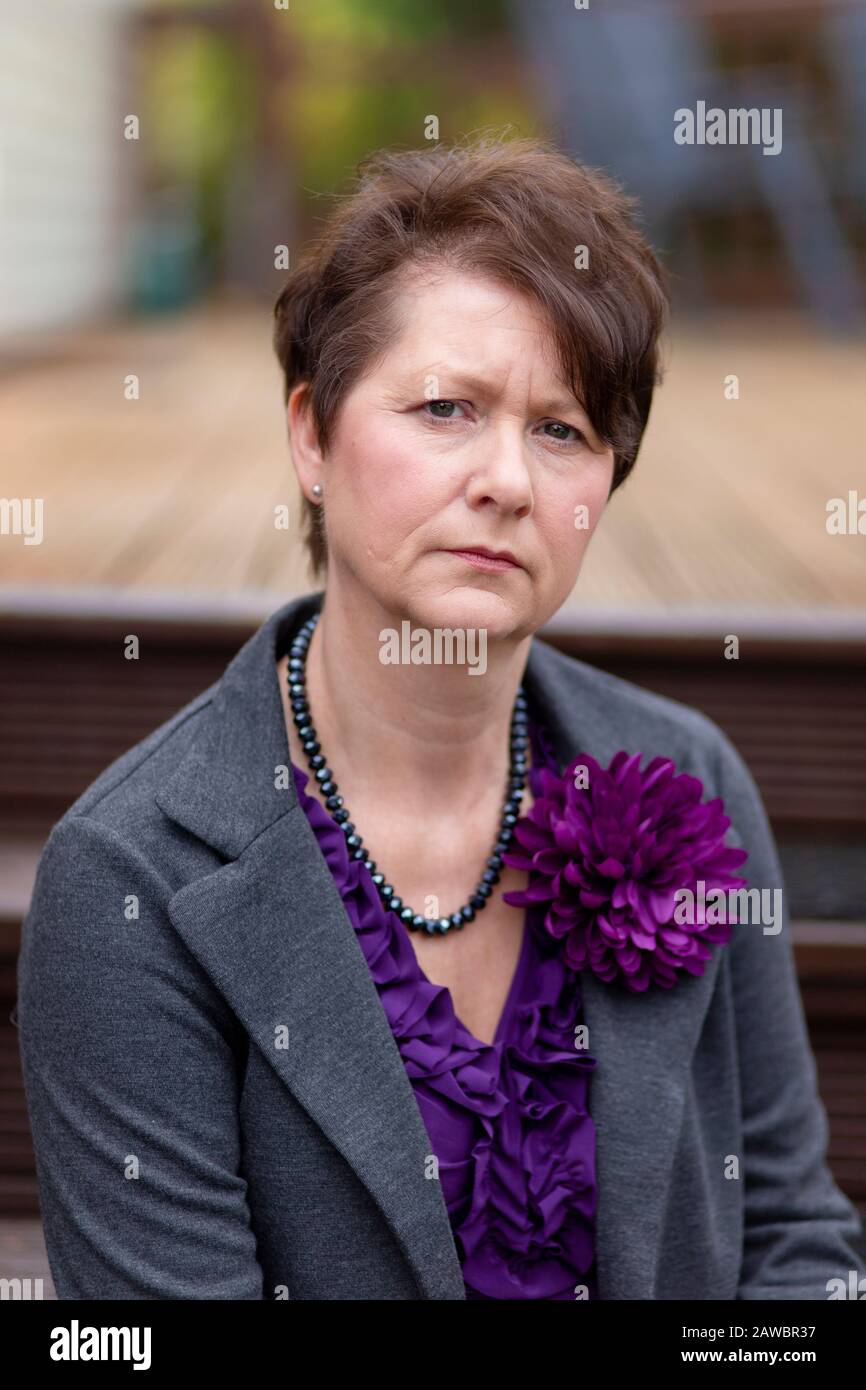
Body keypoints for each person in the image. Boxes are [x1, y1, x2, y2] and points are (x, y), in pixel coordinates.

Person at [17, 135, 865, 1300]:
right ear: (311, 433)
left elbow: (792, 1237)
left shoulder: (684, 780)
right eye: (444, 408)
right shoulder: (135, 873)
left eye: (560, 429)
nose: (507, 480)